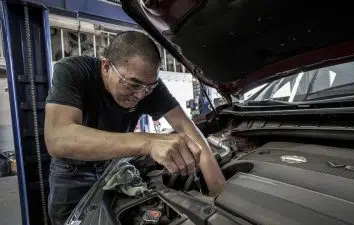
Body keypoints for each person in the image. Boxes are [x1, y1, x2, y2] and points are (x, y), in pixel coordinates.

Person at [44, 31, 226, 225]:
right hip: (72, 173)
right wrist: (147, 142)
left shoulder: (149, 88)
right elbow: (58, 138)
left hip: (114, 167)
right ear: (106, 66)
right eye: (132, 85)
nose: (140, 95)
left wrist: (219, 196)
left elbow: (186, 128)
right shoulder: (73, 71)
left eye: (148, 87)